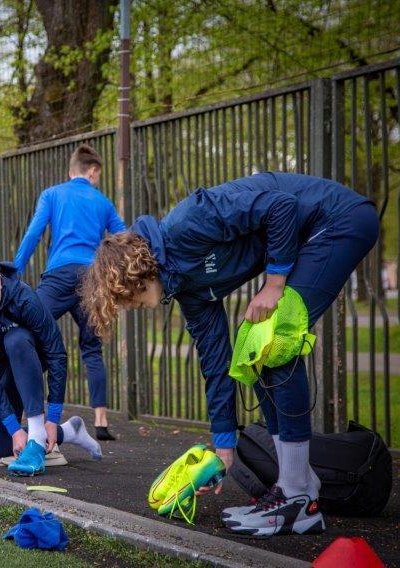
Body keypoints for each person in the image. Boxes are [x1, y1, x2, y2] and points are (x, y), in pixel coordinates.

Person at [81, 172, 377, 537]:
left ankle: (297, 495)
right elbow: (216, 364)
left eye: (125, 299)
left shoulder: (187, 223)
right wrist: (224, 447)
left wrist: (274, 282)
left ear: (134, 276)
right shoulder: (186, 289)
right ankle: (297, 488)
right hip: (311, 237)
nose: (130, 307)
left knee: (276, 340)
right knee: (252, 351)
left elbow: (280, 206)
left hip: (339, 219)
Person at [0, 249, 102, 476]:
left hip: (29, 358)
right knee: (1, 451)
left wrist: (53, 416)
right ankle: (69, 432)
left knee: (15, 338)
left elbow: (56, 352)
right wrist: (14, 428)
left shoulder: (23, 297)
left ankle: (38, 437)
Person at [14, 144, 126, 440]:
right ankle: (101, 421)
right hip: (93, 279)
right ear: (92, 172)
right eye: (98, 175)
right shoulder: (102, 202)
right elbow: (125, 237)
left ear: (71, 171)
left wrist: (15, 269)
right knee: (92, 349)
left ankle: (21, 412)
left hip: (59, 276)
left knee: (26, 333)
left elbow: (33, 233)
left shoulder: (52, 194)